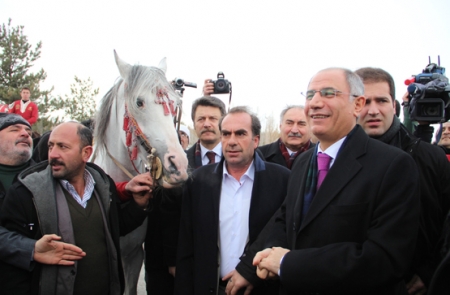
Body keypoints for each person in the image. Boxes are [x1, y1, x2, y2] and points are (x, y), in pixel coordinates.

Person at [252, 68, 420, 295]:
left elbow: (385, 259)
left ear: (357, 105)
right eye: (310, 95)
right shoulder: (303, 163)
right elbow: (286, 220)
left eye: (329, 93)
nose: (316, 103)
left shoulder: (393, 165)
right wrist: (268, 254)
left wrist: (287, 264)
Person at [0, 121, 151, 295]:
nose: (53, 155)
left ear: (86, 153)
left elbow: (115, 228)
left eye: (63, 147)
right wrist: (31, 249)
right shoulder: (26, 192)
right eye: (50, 146)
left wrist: (139, 205)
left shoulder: (102, 185)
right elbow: (11, 268)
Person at [175, 106, 290, 295]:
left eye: (240, 134)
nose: (232, 141)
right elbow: (187, 247)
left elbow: (284, 235)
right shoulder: (198, 181)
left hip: (261, 288)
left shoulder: (282, 180)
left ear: (256, 140)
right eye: (226, 134)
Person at [356, 67, 450, 294]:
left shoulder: (429, 157)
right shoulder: (332, 160)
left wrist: (430, 274)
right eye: (365, 102)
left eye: (382, 100)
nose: (374, 110)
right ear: (353, 107)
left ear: (395, 106)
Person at [0, 113, 87, 272]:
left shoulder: (53, 176)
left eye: (28, 130)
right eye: (14, 129)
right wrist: (29, 248)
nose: (26, 133)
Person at [186, 96, 226, 169]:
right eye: (201, 119)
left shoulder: (241, 158)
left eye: (213, 118)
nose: (207, 124)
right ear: (194, 124)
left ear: (224, 123)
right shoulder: (182, 162)